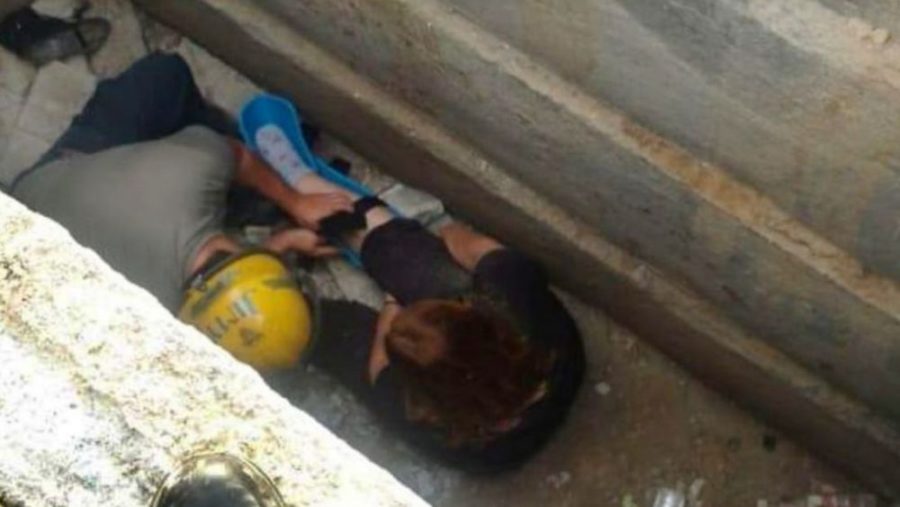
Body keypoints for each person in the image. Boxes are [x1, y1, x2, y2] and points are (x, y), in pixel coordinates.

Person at [8, 53, 351, 370]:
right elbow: (217, 285)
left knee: (165, 72)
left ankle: (241, 193)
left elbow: (237, 156)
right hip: (27, 215)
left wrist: (295, 203)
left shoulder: (194, 172)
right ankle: (245, 202)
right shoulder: (157, 326)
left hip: (39, 195)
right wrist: (281, 236)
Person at [266, 157, 587, 472]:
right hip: (560, 381)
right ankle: (328, 199)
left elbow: (379, 369)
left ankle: (307, 199)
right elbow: (470, 245)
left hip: (494, 452)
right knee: (414, 267)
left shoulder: (410, 409)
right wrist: (450, 235)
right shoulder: (513, 295)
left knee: (319, 330)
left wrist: (392, 304)